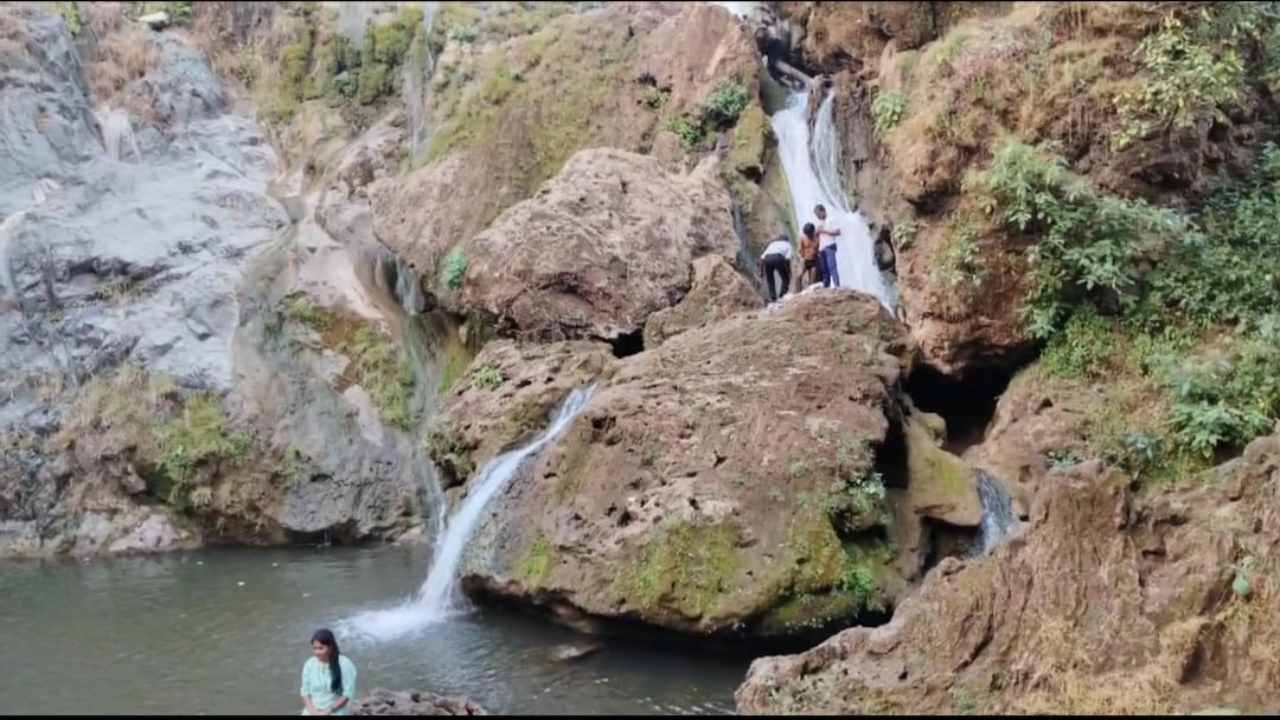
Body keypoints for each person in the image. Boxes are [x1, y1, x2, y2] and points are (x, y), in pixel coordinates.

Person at [301, 629, 357, 716]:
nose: (317, 652)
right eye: (315, 648)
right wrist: (312, 711)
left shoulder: (344, 664)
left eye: (321, 648)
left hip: (335, 710)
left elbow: (347, 694)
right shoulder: (310, 664)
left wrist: (327, 711)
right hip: (313, 709)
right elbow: (305, 692)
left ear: (331, 648)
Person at [757, 233, 793, 302]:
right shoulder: (788, 245)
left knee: (770, 280)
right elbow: (787, 259)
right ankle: (782, 296)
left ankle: (773, 298)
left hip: (767, 259)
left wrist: (761, 271)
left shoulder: (773, 244)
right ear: (787, 240)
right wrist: (788, 271)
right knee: (785, 279)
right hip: (778, 258)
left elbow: (762, 258)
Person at [814, 204, 841, 288]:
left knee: (832, 266)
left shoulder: (832, 219)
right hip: (821, 247)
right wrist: (817, 233)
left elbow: (838, 232)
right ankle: (826, 286)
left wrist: (824, 231)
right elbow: (817, 236)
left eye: (819, 214)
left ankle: (837, 286)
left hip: (830, 245)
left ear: (823, 211)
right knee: (824, 269)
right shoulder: (818, 222)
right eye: (816, 215)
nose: (818, 216)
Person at [798, 223, 819, 290]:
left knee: (812, 281)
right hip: (805, 260)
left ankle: (810, 294)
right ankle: (798, 292)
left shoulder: (817, 237)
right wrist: (802, 259)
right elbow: (800, 249)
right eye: (807, 234)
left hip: (814, 261)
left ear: (812, 232)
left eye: (809, 234)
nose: (808, 235)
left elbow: (819, 248)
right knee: (799, 276)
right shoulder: (803, 238)